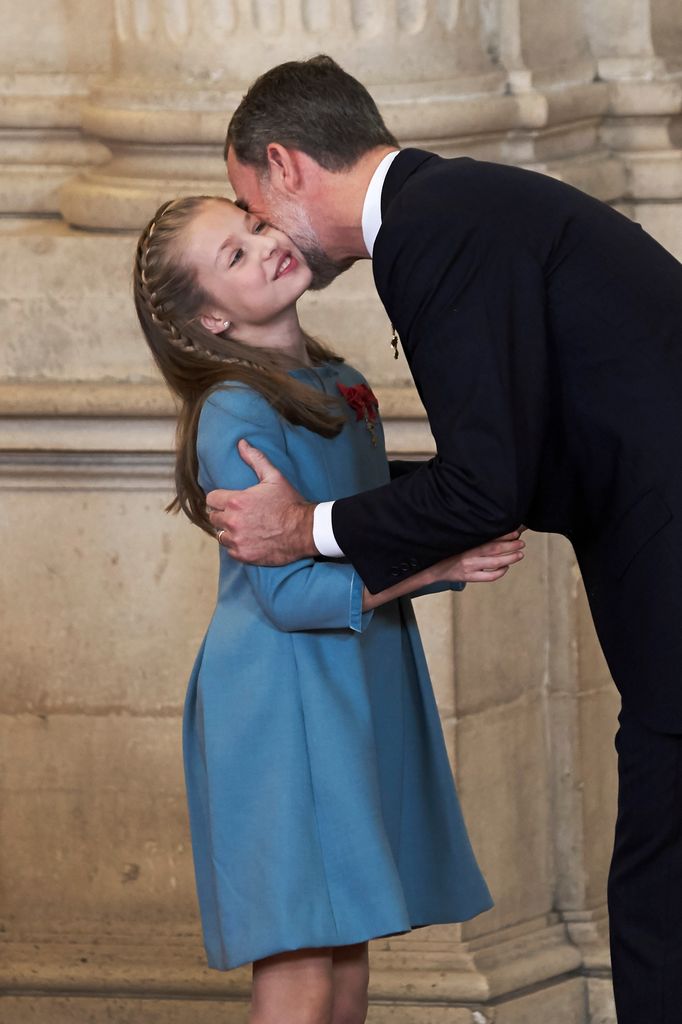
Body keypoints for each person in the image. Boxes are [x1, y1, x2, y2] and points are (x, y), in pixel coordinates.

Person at [206, 55, 682, 1023]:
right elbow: (505, 456)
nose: (260, 228)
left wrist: (304, 527)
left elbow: (485, 482)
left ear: (286, 163)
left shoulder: (429, 231)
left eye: (249, 203)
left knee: (658, 903)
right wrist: (366, 515)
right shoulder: (449, 206)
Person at [132, 193, 526, 1024]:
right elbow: (289, 592)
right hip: (284, 702)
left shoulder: (338, 381)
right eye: (233, 257)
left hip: (346, 687)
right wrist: (437, 566)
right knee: (304, 973)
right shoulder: (234, 412)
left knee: (347, 972)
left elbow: (365, 515)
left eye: (253, 228)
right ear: (211, 319)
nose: (263, 246)